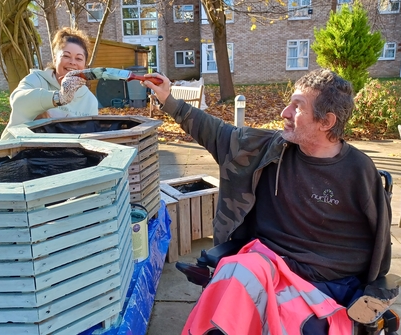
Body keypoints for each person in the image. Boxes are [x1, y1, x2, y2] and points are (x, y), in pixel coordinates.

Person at [142, 69, 392, 334]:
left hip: (327, 284)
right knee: (231, 296)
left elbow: (378, 249)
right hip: (265, 265)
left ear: (326, 121)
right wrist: (168, 99)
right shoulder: (267, 149)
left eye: (297, 107)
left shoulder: (358, 171)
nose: (284, 112)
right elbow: (215, 132)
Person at [0, 27, 98, 140]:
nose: (72, 62)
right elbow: (17, 100)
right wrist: (58, 98)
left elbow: (91, 138)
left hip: (64, 155)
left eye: (79, 58)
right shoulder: (37, 79)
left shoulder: (90, 100)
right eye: (66, 56)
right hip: (17, 152)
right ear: (55, 59)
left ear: (85, 65)